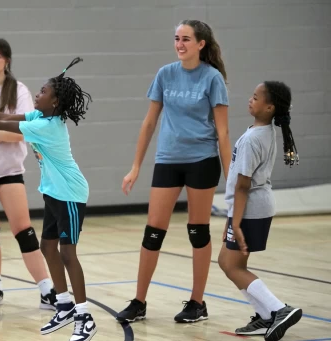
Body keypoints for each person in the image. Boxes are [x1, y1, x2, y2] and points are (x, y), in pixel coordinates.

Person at [0, 57, 97, 341]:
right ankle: (63, 305)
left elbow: (3, 122)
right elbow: (4, 117)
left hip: (71, 195)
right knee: (48, 249)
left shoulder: (48, 127)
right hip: (53, 192)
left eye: (42, 92)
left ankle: (84, 315)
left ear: (55, 102)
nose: (37, 95)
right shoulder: (41, 117)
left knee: (67, 253)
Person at [116, 19, 232, 324]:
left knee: (198, 231)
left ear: (201, 44)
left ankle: (197, 302)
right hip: (168, 159)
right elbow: (149, 122)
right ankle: (139, 301)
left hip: (202, 161)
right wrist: (135, 166)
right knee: (153, 231)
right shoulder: (165, 74)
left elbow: (222, 133)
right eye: (177, 39)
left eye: (186, 39)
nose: (179, 44)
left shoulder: (212, 79)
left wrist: (231, 175)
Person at [218, 81, 302, 341]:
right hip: (252, 208)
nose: (250, 100)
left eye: (256, 98)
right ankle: (265, 315)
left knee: (233, 266)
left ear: (269, 107)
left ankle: (279, 309)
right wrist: (231, 218)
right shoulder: (262, 132)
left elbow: (243, 186)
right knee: (226, 261)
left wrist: (237, 222)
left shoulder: (253, 139)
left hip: (251, 209)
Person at [0, 37, 57, 310]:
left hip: (9, 171)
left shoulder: (17, 90)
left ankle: (47, 289)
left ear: (6, 61)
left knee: (23, 230)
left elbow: (24, 129)